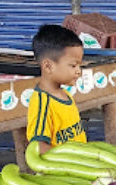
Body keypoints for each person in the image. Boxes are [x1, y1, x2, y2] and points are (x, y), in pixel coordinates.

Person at [27, 24, 87, 153]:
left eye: (79, 66)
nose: (79, 72)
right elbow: (38, 147)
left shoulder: (65, 94)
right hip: (60, 172)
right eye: (73, 66)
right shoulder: (42, 103)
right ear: (48, 66)